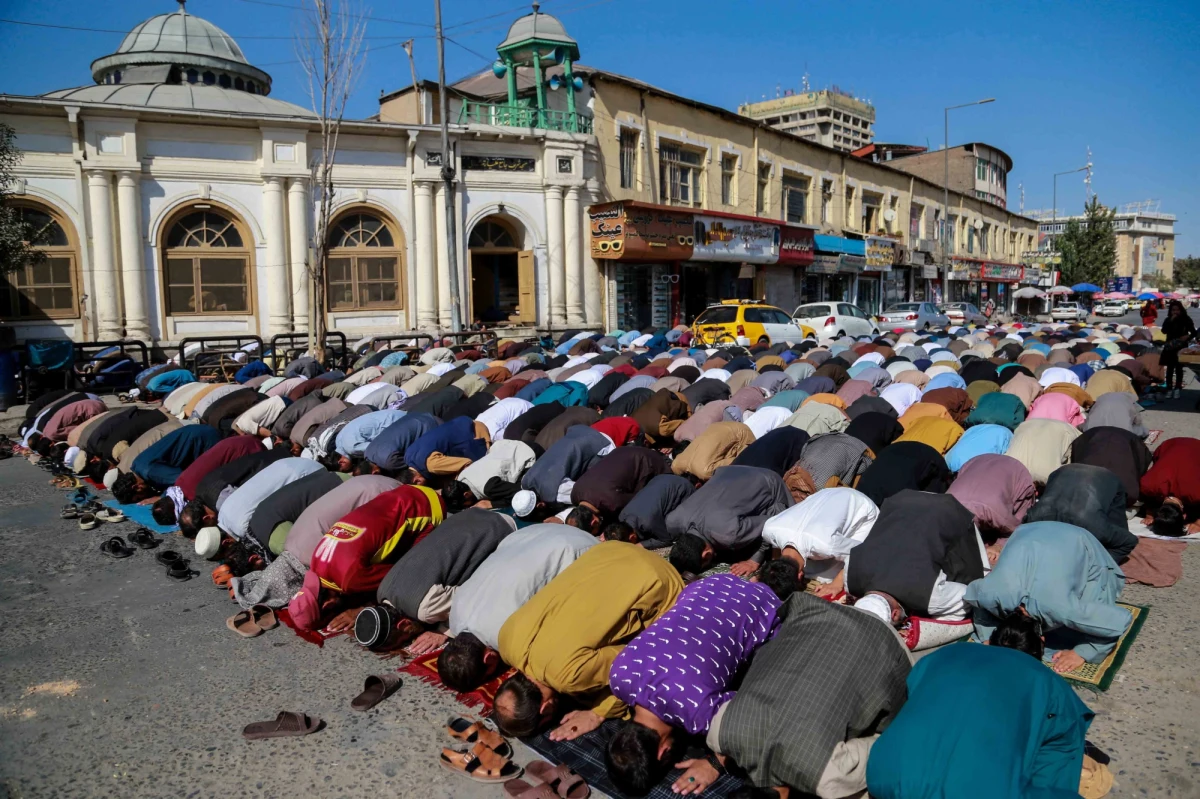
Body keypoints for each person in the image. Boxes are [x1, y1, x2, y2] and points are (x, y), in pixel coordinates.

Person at [703, 593, 910, 799]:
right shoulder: (720, 733)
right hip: (818, 613)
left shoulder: (827, 778)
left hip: (883, 639)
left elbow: (883, 747)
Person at [605, 574, 786, 795]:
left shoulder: (698, 714)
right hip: (711, 584)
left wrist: (716, 763)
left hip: (765, 604)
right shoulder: (618, 676)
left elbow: (752, 712)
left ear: (663, 752)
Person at [492, 541, 684, 741]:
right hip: (611, 550)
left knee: (666, 655)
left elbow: (636, 661)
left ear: (546, 708)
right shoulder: (506, 641)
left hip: (659, 579)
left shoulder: (567, 676)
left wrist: (598, 713)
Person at [866, 640, 1094, 799]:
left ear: (988, 642)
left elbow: (915, 695)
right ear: (1039, 653)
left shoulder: (943, 654)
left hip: (883, 774)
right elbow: (1059, 756)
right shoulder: (1048, 681)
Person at [436, 524, 598, 690]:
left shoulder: (506, 637)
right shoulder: (455, 616)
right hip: (532, 532)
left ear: (489, 658)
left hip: (581, 548)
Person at [965, 521, 1133, 674]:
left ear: (1042, 639)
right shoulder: (990, 593)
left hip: (1078, 539)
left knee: (1096, 601)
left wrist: (1082, 652)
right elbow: (976, 601)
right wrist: (989, 637)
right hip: (1029, 529)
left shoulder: (1064, 609)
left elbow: (1120, 620)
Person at [289, 484, 445, 631]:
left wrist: (362, 608)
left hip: (429, 507)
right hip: (404, 491)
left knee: (414, 580)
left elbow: (399, 576)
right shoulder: (316, 559)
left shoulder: (350, 579)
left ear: (328, 605)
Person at [364, 508, 517, 648]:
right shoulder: (382, 589)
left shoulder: (425, 609)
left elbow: (474, 596)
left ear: (404, 624)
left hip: (500, 528)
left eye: (405, 639)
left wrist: (444, 631)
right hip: (469, 515)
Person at [846, 490, 991, 624]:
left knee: (974, 578)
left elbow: (967, 596)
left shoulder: (929, 596)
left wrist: (934, 621)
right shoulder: (850, 579)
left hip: (947, 512)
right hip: (902, 500)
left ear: (895, 615)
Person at [666, 465, 793, 577]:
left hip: (767, 481)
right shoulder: (672, 521)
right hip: (728, 471)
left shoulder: (729, 534)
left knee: (783, 524)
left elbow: (770, 522)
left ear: (706, 555)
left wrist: (754, 560)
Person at [761, 487, 879, 599]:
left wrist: (836, 584)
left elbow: (860, 551)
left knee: (833, 575)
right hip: (826, 495)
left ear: (800, 575)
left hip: (862, 508)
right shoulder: (769, 529)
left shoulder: (826, 545)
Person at [1024, 464, 1138, 563]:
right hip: (1064, 472)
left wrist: (1097, 565)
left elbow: (1129, 541)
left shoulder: (1096, 528)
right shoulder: (1034, 518)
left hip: (1100, 478)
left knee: (1117, 534)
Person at [442, 439, 538, 513]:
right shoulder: (462, 477)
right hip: (508, 446)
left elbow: (520, 493)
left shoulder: (489, 487)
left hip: (527, 453)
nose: (466, 507)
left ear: (466, 495)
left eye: (464, 505)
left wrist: (491, 504)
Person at [1138, 436, 1200, 536]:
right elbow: (1148, 498)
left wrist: (1198, 523)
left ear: (1184, 516)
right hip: (1169, 445)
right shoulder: (1148, 486)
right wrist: (1149, 515)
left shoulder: (1196, 494)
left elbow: (1148, 498)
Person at [1160, 300, 1196, 398]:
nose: (1175, 312)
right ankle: (1169, 388)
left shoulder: (1186, 319)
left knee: (1179, 368)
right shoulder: (1168, 320)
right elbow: (1163, 331)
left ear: (1181, 310)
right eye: (1173, 310)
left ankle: (1177, 388)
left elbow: (1194, 332)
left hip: (1181, 347)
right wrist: (1171, 320)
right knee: (1170, 369)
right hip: (1170, 347)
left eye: (1177, 310)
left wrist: (1187, 337)